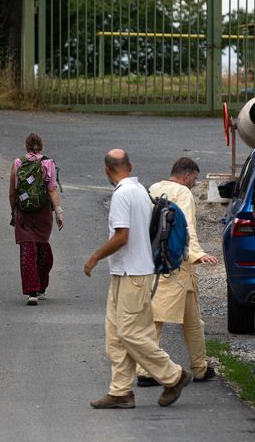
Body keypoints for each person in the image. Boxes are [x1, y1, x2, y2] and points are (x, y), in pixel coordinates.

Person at [84, 149, 191, 409]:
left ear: (107, 170)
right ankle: (120, 392)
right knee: (116, 335)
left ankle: (174, 375)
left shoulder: (122, 194)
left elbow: (122, 236)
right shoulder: (141, 191)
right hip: (127, 272)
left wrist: (95, 257)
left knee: (131, 333)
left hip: (133, 273)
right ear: (129, 166)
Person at [136, 157, 218, 386]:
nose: (195, 183)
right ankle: (145, 370)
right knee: (157, 318)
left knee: (192, 320)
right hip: (176, 264)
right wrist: (197, 254)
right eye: (194, 179)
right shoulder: (183, 193)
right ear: (187, 175)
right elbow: (187, 227)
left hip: (156, 259)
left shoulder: (154, 188)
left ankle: (200, 367)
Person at [9, 133, 64, 306]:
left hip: (24, 212)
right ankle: (41, 287)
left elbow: (13, 191)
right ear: (41, 145)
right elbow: (52, 190)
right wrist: (59, 212)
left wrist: (14, 212)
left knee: (27, 249)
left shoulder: (17, 163)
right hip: (43, 213)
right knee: (42, 248)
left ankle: (31, 291)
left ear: (26, 146)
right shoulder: (48, 163)